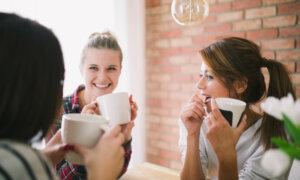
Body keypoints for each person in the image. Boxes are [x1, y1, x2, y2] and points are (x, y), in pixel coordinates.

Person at [0, 12, 125, 180]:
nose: (102, 77)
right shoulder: (20, 163)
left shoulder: (21, 160)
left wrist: (41, 158)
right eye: (57, 81)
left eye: (111, 68)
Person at [179, 37, 296, 180]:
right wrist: (192, 134)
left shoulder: (274, 134)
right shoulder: (198, 122)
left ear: (240, 85)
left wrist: (226, 154)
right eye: (200, 75)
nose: (199, 85)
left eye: (209, 76)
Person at [49, 31, 138, 179]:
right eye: (93, 68)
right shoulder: (59, 110)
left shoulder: (116, 109)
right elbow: (56, 176)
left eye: (111, 68)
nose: (102, 78)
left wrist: (125, 137)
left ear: (120, 71)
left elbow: (117, 173)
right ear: (81, 70)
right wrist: (84, 135)